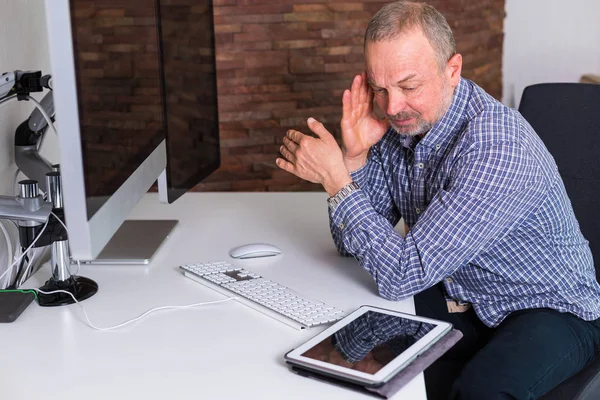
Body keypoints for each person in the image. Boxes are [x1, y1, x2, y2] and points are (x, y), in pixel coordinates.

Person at [275, 1, 600, 399]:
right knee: (347, 347)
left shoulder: (497, 147)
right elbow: (351, 245)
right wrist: (355, 159)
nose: (393, 106)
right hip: (465, 293)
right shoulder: (401, 124)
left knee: (479, 390)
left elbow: (400, 274)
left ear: (452, 71)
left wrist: (336, 181)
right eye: (380, 88)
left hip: (549, 308)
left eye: (409, 86)